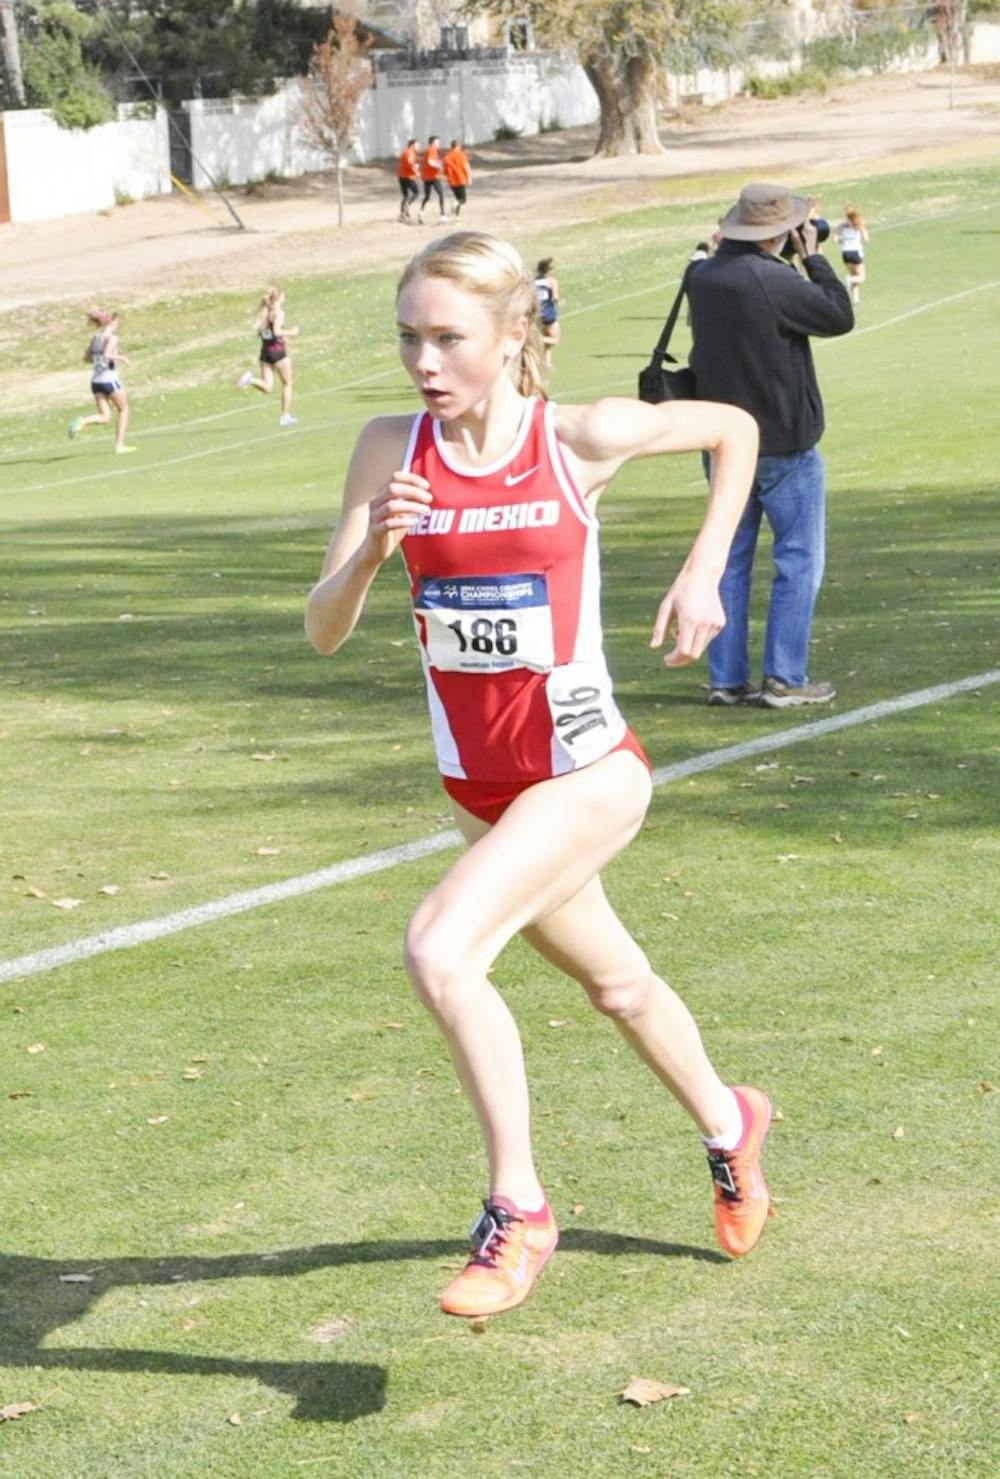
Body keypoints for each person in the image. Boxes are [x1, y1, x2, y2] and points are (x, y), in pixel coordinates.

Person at [305, 230, 772, 1321]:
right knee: (615, 985)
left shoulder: (577, 436)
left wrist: (704, 567)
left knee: (439, 947)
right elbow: (323, 630)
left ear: (515, 335)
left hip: (587, 770)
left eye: (449, 338)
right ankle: (728, 1123)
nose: (424, 361)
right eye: (409, 337)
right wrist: (374, 547)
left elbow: (735, 427)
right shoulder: (390, 448)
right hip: (479, 789)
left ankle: (517, 1207)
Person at [686, 181, 854, 709]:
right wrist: (815, 259)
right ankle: (783, 675)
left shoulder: (701, 276)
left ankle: (725, 678)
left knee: (727, 560)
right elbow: (837, 315)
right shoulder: (771, 280)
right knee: (799, 558)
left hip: (720, 438)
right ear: (780, 233)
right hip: (782, 439)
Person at [67, 308, 135, 454]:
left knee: (105, 417)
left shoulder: (96, 338)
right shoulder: (111, 338)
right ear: (111, 322)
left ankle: (82, 421)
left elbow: (86, 358)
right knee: (123, 409)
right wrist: (122, 358)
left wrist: (99, 361)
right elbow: (107, 354)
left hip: (96, 381)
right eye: (117, 323)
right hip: (109, 379)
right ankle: (119, 445)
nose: (117, 326)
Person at [237, 287, 299, 426]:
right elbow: (277, 331)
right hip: (278, 353)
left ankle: (250, 379)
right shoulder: (278, 313)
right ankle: (285, 416)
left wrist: (282, 337)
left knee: (267, 387)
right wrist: (292, 333)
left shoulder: (265, 313)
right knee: (288, 384)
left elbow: (266, 333)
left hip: (265, 353)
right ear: (280, 297)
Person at [834, 204, 869, 306]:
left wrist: (843, 240)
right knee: (861, 277)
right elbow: (866, 239)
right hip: (856, 252)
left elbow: (835, 239)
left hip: (845, 253)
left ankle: (856, 299)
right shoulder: (858, 224)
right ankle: (847, 281)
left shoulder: (842, 225)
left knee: (854, 275)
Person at [533, 257, 560, 369]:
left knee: (546, 337)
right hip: (549, 312)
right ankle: (534, 340)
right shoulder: (552, 281)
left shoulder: (534, 282)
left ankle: (547, 363)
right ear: (548, 270)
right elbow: (555, 297)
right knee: (555, 340)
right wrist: (559, 302)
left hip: (538, 313)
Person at [418, 136, 446, 223]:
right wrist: (439, 166)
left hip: (426, 177)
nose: (439, 144)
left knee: (427, 196)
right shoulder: (432, 150)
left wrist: (439, 164)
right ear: (433, 143)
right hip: (433, 176)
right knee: (441, 193)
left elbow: (432, 161)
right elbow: (431, 162)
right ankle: (442, 215)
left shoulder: (430, 150)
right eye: (437, 142)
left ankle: (421, 211)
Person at [442, 139, 471, 219]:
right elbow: (466, 166)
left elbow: (444, 171)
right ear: (458, 146)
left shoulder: (447, 156)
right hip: (460, 179)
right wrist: (469, 177)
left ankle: (457, 216)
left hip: (451, 181)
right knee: (463, 200)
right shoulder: (462, 155)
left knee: (457, 198)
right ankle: (455, 206)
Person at [397, 138, 420, 222]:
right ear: (412, 145)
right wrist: (416, 171)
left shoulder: (406, 151)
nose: (418, 147)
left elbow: (407, 163)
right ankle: (407, 206)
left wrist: (414, 167)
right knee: (416, 192)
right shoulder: (410, 152)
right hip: (408, 177)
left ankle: (403, 214)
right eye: (417, 145)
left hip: (401, 176)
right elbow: (410, 163)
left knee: (405, 195)